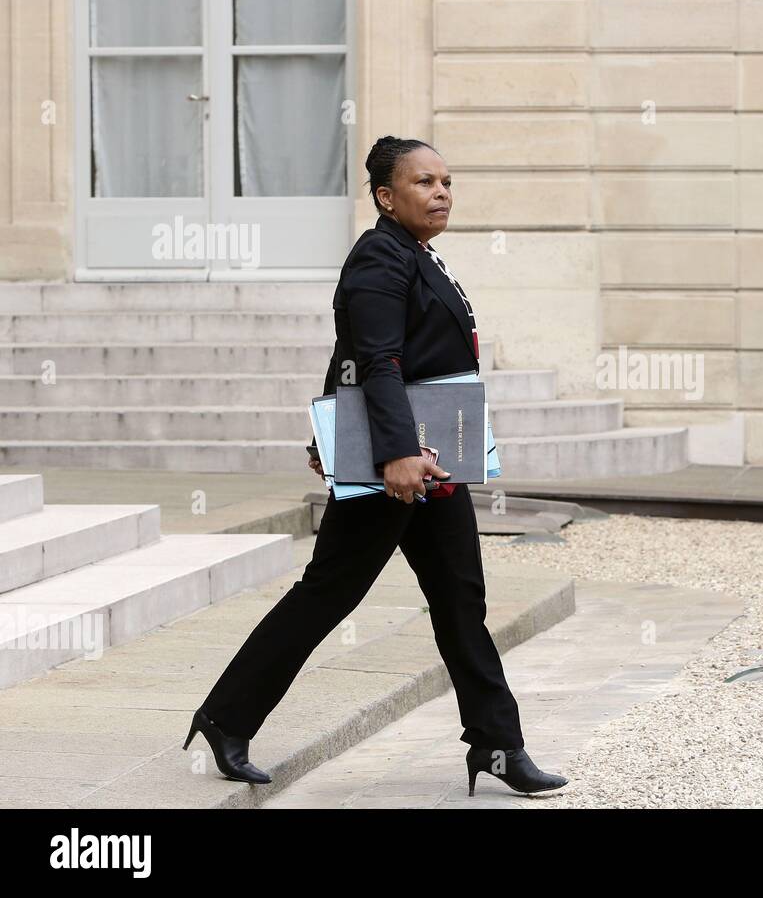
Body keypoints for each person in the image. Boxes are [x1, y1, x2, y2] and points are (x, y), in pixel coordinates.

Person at [185, 135, 567, 798]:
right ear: (387, 197)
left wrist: (332, 436)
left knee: (460, 602)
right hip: (399, 464)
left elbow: (354, 358)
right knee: (329, 593)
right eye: (424, 182)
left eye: (447, 181)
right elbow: (376, 360)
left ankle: (498, 747)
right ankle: (225, 718)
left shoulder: (418, 256)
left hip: (431, 459)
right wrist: (386, 451)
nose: (441, 192)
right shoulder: (379, 258)